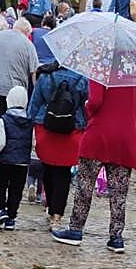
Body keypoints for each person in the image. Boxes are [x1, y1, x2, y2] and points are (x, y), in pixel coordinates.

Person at [52, 79, 136, 253]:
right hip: (124, 137)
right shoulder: (131, 75)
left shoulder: (102, 68)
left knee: (85, 186)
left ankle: (75, 230)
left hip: (99, 134)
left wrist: (87, 106)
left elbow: (95, 101)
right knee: (118, 193)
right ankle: (116, 237)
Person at [28, 60, 90, 231]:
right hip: (72, 128)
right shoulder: (83, 79)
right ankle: (57, 215)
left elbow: (34, 104)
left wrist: (28, 126)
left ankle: (50, 207)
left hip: (45, 125)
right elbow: (88, 107)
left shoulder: (46, 76)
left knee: (47, 167)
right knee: (63, 172)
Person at [0, 85, 33, 230]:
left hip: (5, 161)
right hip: (22, 163)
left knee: (0, 185)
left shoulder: (4, 120)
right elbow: (33, 142)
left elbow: (0, 143)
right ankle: (11, 217)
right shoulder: (30, 121)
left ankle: (1, 210)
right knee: (16, 189)